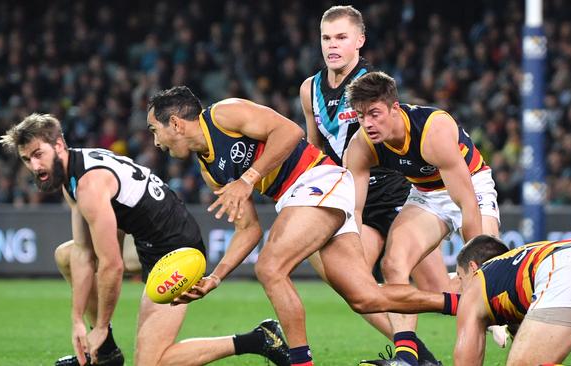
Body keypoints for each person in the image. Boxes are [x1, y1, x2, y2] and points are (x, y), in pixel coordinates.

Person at [146, 86, 454, 366]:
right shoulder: (209, 168)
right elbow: (249, 229)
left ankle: (300, 363)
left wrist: (247, 179)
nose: (156, 142)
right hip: (303, 197)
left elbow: (289, 131)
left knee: (269, 268)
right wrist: (215, 276)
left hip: (318, 179)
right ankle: (457, 304)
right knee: (365, 298)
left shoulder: (224, 114)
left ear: (175, 123)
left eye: (154, 130)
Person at [0, 113, 289, 366]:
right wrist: (77, 321)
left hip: (177, 253)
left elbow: (111, 265)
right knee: (67, 254)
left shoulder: (89, 183)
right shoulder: (74, 174)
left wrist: (98, 326)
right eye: (26, 159)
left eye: (38, 154)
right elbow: (84, 254)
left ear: (59, 145)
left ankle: (260, 339)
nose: (34, 166)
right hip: (146, 244)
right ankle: (108, 353)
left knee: (153, 363)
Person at [299, 5, 444, 349]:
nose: (332, 45)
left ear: (360, 41)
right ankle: (413, 349)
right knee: (353, 284)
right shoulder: (310, 89)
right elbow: (314, 149)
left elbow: (398, 135)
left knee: (439, 287)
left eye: (341, 37)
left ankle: (500, 314)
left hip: (393, 191)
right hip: (353, 195)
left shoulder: (371, 86)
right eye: (326, 38)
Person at [343, 71, 501, 366]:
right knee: (393, 264)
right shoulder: (361, 145)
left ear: (395, 108)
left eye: (375, 114)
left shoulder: (434, 130)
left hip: (472, 185)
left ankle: (510, 321)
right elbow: (354, 212)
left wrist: (477, 268)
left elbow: (466, 202)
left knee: (492, 272)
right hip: (426, 193)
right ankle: (407, 357)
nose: (368, 123)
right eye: (362, 115)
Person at [454, 235, 571, 366]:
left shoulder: (477, 283)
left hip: (569, 265)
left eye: (460, 278)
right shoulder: (513, 266)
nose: (461, 288)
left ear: (472, 268)